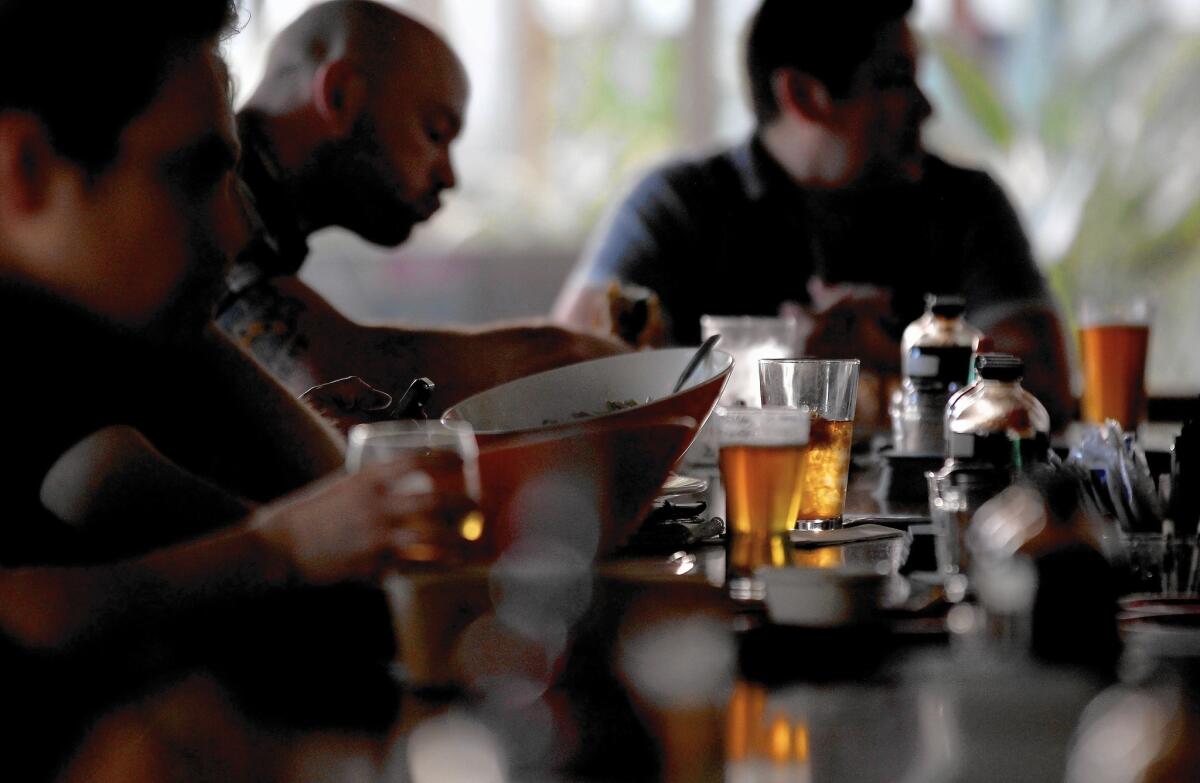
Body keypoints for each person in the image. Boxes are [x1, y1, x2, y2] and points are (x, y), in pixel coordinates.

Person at [0, 1, 469, 775]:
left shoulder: (90, 337)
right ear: (26, 169)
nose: (237, 229)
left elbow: (336, 499)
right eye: (192, 177)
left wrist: (192, 320)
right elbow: (36, 617)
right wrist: (282, 547)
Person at [553, 0, 1073, 428]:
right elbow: (570, 377)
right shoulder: (677, 205)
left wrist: (896, 355)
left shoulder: (966, 202)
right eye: (894, 80)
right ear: (803, 96)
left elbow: (1050, 387)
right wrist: (776, 362)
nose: (926, 106)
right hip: (725, 529)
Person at [217, 0, 621, 427]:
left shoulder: (258, 216)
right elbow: (323, 378)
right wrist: (572, 356)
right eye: (434, 133)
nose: (449, 177)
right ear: (338, 94)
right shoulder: (212, 190)